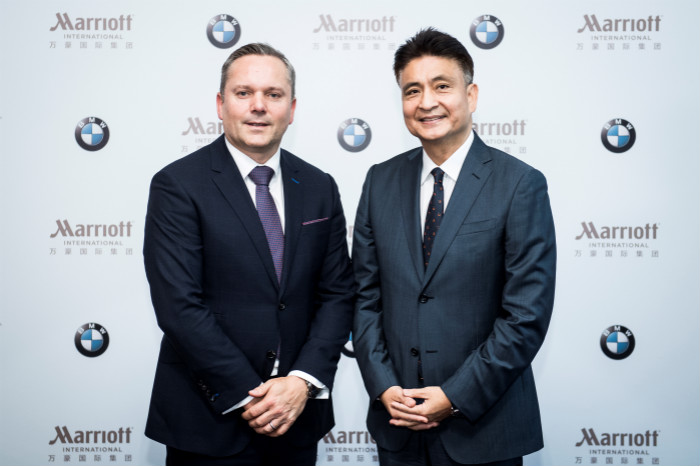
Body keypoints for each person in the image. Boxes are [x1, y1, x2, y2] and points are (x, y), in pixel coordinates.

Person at [352, 28, 557, 466]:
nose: (426, 102)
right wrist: (384, 386)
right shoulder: (378, 181)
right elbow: (365, 300)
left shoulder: (520, 184)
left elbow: (525, 316)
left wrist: (454, 396)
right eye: (412, 90)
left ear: (471, 94)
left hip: (483, 429)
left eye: (442, 86)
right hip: (398, 426)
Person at [143, 43, 354, 466]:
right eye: (243, 93)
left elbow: (337, 294)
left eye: (273, 94)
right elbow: (179, 307)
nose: (259, 106)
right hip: (208, 424)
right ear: (220, 105)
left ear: (291, 109)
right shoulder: (177, 185)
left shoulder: (319, 186)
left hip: (297, 419)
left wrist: (300, 383)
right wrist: (255, 397)